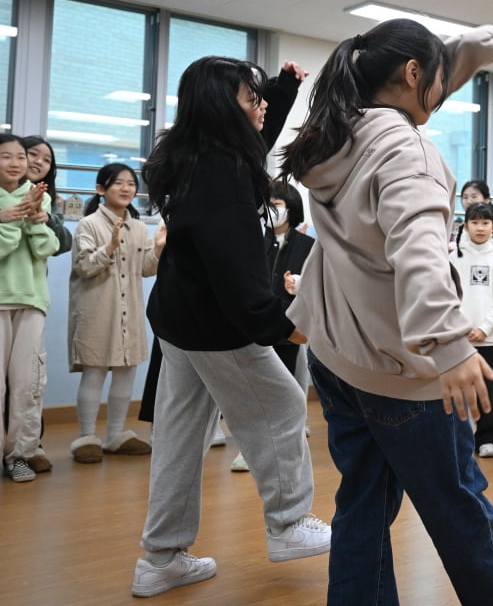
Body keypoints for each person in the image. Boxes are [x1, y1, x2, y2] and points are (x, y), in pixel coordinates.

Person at [282, 13, 493, 606]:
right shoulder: (405, 151)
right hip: (400, 368)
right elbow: (418, 250)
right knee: (453, 493)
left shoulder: (336, 132)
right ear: (413, 75)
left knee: (361, 498)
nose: (442, 88)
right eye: (434, 77)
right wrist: (449, 346)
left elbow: (432, 73)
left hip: (338, 357)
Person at [133, 57, 329, 599]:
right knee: (284, 404)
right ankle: (288, 524)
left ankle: (162, 557)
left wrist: (283, 88)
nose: (261, 107)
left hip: (178, 319)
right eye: (252, 98)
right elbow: (239, 275)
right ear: (223, 108)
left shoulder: (198, 154)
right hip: (213, 325)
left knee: (180, 436)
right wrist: (284, 327)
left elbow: (256, 139)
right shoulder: (221, 173)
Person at [67, 164, 164, 464]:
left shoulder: (138, 226)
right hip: (97, 309)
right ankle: (87, 437)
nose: (126, 189)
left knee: (126, 371)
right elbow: (83, 267)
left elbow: (147, 269)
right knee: (95, 371)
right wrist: (108, 247)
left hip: (130, 310)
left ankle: (116, 435)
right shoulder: (89, 224)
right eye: (117, 183)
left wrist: (159, 249)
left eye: (131, 184)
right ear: (100, 189)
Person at [231, 179, 315, 473]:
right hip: (255, 326)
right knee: (253, 392)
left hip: (290, 328)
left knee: (286, 392)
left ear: (291, 208)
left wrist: (299, 286)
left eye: (277, 204)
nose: (271, 209)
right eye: (268, 204)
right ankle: (249, 451)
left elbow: (318, 286)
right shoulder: (255, 239)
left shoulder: (309, 245)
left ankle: (286, 452)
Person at [0, 134, 59, 483]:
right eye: (5, 156)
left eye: (20, 157)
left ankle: (20, 454)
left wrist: (36, 217)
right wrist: (7, 219)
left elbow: (44, 248)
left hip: (32, 300)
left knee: (28, 383)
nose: (16, 163)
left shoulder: (39, 195)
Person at [20, 134, 72, 474]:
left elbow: (62, 242)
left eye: (47, 159)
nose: (39, 162)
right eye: (31, 154)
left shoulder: (49, 201)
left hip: (32, 294)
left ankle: (27, 446)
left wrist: (43, 215)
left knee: (30, 376)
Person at [451, 202, 493, 458]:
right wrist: (458, 327)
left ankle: (487, 438)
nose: (480, 227)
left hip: (487, 338)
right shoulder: (452, 256)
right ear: (465, 225)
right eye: (474, 222)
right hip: (458, 337)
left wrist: (485, 328)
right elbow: (445, 293)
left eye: (485, 223)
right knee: (456, 389)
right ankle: (456, 438)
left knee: (488, 390)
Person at [456, 179, 493, 257]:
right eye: (465, 197)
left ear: (487, 200)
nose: (469, 201)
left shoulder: (490, 223)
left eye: (474, 196)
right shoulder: (468, 222)